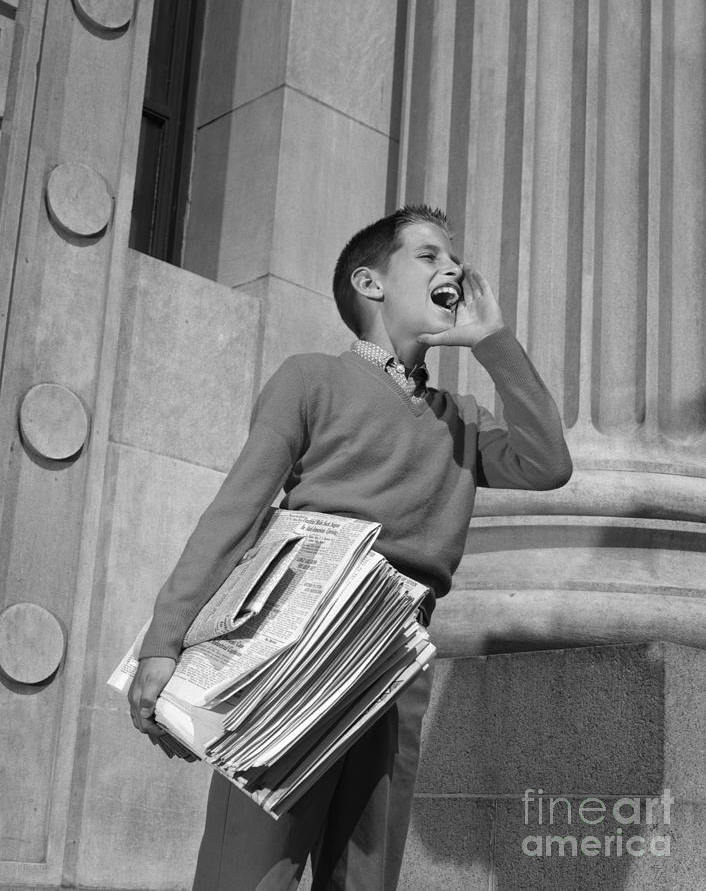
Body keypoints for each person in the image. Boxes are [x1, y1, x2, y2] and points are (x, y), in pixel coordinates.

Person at [128, 204, 573, 890]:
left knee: (365, 877)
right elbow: (236, 514)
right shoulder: (312, 379)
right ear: (370, 283)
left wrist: (495, 343)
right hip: (293, 649)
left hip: (397, 662)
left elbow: (548, 465)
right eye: (428, 255)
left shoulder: (461, 420)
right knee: (249, 872)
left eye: (452, 256)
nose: (452, 267)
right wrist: (164, 644)